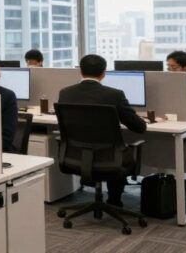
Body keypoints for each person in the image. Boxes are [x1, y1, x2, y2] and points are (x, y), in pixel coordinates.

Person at [58, 54, 147, 207]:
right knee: (118, 150)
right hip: (108, 158)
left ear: (81, 71)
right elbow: (139, 127)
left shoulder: (65, 92)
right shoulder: (115, 94)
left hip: (75, 156)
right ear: (103, 73)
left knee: (111, 150)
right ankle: (114, 200)